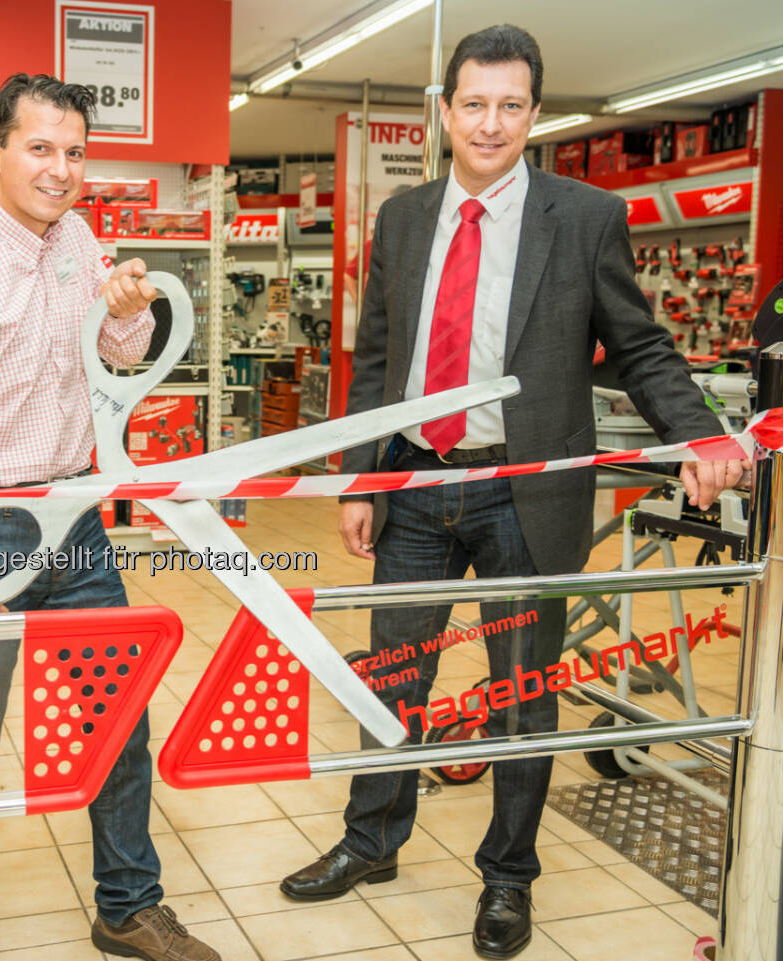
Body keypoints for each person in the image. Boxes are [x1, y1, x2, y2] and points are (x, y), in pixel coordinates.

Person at [276, 25, 742, 961]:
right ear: (444, 111)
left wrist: (696, 430)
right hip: (412, 483)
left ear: (535, 114)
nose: (490, 123)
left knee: (521, 694)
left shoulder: (585, 218)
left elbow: (641, 347)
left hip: (525, 492)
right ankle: (373, 840)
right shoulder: (405, 219)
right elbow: (378, 361)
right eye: (474, 103)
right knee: (391, 679)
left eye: (511, 105)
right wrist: (362, 477)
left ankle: (507, 878)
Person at [0, 73, 219, 961]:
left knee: (117, 713)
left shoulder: (77, 240)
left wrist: (128, 313)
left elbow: (111, 357)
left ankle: (128, 905)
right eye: (39, 148)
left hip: (77, 516)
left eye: (74, 151)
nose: (60, 169)